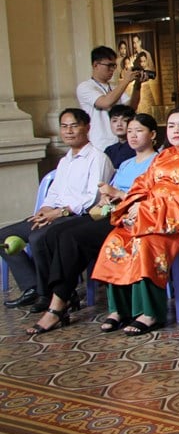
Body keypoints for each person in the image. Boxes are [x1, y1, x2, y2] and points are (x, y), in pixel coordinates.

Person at [26, 114, 159, 334]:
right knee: (54, 233)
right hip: (107, 212)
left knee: (72, 237)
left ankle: (57, 306)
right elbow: (109, 193)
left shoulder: (157, 162)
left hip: (130, 217)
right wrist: (108, 197)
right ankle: (60, 295)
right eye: (130, 131)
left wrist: (118, 194)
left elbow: (150, 198)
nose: (133, 136)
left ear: (152, 134)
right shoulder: (125, 164)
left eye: (139, 131)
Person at [90, 106, 179, 336]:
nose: (176, 130)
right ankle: (120, 309)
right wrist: (132, 208)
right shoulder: (163, 156)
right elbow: (141, 186)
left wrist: (146, 210)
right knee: (116, 239)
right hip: (151, 216)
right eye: (171, 126)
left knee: (145, 243)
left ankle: (150, 313)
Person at [1, 108, 115, 311]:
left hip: (76, 216)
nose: (68, 131)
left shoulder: (97, 158)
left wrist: (59, 212)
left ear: (87, 127)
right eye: (64, 126)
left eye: (74, 126)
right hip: (54, 213)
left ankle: (50, 294)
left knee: (38, 238)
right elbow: (53, 192)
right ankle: (32, 287)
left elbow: (93, 198)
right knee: (4, 235)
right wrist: (45, 209)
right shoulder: (65, 160)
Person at [76, 45, 144, 151]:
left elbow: (131, 107)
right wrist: (126, 80)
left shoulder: (114, 87)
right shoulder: (85, 87)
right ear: (95, 65)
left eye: (114, 66)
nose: (112, 70)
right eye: (109, 65)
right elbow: (105, 102)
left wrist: (137, 84)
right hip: (100, 145)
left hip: (120, 143)